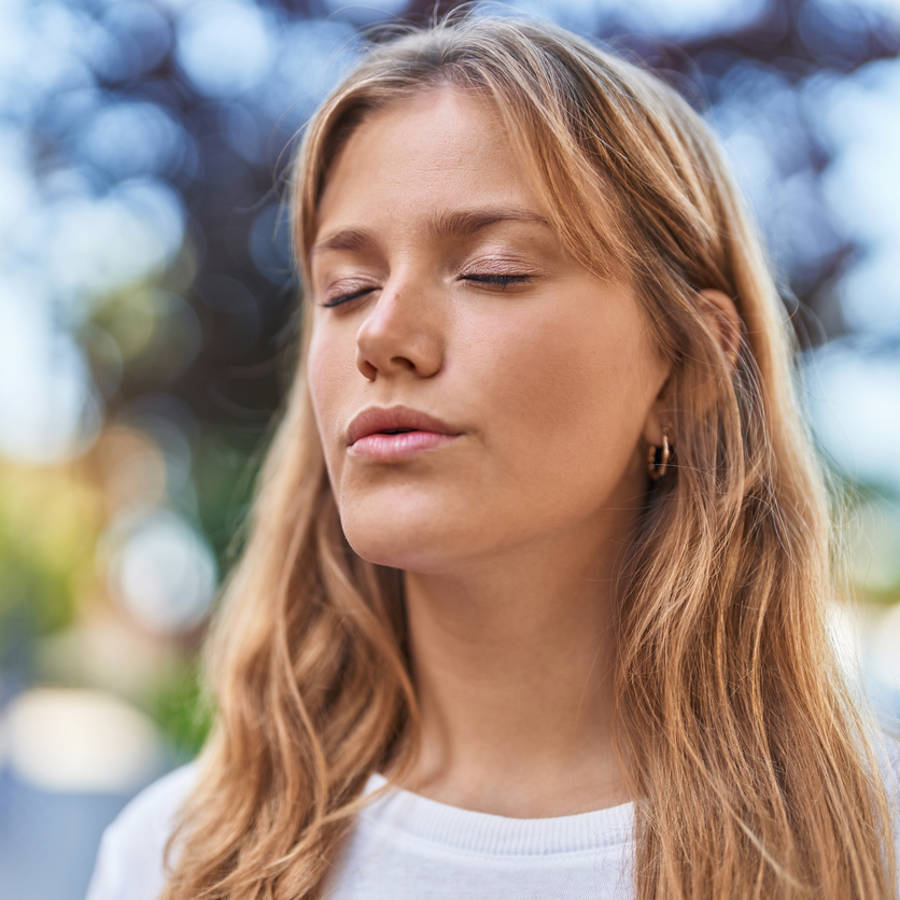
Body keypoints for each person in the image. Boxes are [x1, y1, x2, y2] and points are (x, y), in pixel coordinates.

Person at [86, 13, 900, 900]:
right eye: (346, 289)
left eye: (494, 270)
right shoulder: (173, 858)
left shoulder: (874, 844)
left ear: (689, 371)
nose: (381, 336)